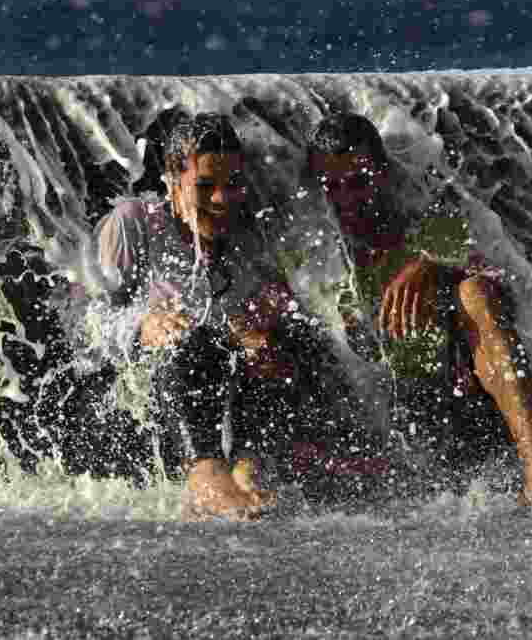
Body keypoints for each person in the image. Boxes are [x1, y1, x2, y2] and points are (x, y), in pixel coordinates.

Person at [87, 112, 366, 521]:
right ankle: (205, 475)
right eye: (204, 186)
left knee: (276, 342)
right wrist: (141, 326)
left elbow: (291, 312)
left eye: (232, 184)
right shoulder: (135, 224)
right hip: (153, 400)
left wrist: (261, 327)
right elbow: (86, 323)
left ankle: (247, 471)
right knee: (194, 338)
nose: (222, 199)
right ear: (171, 180)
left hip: (231, 396)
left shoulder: (249, 233)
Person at [299, 113, 532, 521]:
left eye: (359, 182)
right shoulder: (313, 248)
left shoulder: (425, 223)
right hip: (377, 419)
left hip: (457, 407)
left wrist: (429, 266)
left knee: (476, 292)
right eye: (333, 187)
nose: (347, 199)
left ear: (382, 174)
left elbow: (492, 281)